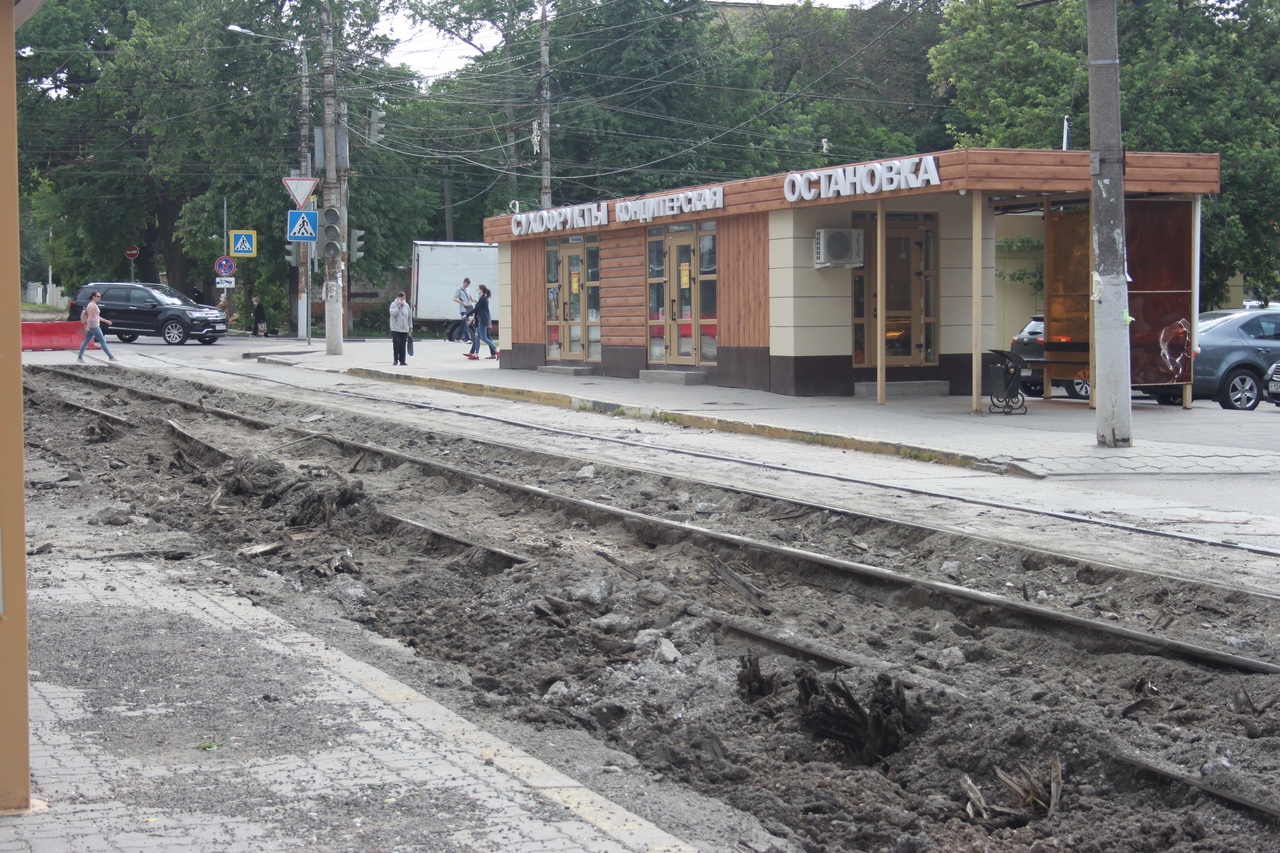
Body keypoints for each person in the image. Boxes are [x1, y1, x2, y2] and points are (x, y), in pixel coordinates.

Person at [77, 291, 116, 362]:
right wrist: (88, 326)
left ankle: (80, 357)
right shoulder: (92, 306)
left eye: (100, 296)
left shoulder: (92, 304)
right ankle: (111, 357)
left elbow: (97, 316)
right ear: (93, 297)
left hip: (92, 325)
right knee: (102, 341)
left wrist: (106, 321)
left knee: (86, 341)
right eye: (98, 296)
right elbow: (90, 317)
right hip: (94, 326)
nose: (99, 298)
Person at [466, 285, 498, 360]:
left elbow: (477, 309)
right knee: (477, 337)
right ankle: (476, 354)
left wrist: (466, 315)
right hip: (480, 321)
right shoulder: (482, 299)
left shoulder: (483, 299)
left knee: (484, 338)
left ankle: (496, 350)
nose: (477, 291)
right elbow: (478, 311)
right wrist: (474, 320)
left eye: (478, 289)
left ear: (481, 290)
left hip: (483, 321)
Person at [389, 291, 413, 366]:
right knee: (397, 342)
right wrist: (398, 306)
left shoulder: (406, 306)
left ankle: (402, 360)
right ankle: (396, 359)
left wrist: (410, 326)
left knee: (403, 344)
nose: (402, 300)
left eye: (403, 298)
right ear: (398, 298)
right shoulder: (394, 304)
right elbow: (392, 313)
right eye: (401, 298)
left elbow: (409, 317)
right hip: (395, 328)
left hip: (404, 328)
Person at [452, 277, 474, 343]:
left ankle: (458, 337)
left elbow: (471, 298)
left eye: (468, 285)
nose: (467, 286)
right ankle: (468, 339)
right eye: (466, 284)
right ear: (464, 283)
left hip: (468, 309)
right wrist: (462, 303)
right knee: (465, 324)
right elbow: (454, 298)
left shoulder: (468, 290)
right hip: (463, 309)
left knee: (463, 324)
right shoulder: (459, 289)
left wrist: (474, 300)